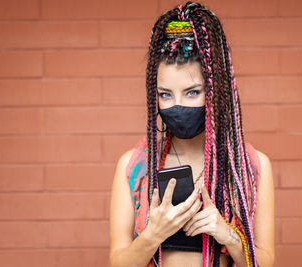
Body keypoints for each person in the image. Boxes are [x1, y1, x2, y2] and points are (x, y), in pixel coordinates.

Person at [109, 2, 275, 266]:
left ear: (214, 90)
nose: (178, 105)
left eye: (192, 92)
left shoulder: (250, 166)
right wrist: (154, 234)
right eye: (165, 94)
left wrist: (228, 235)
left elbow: (264, 262)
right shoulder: (135, 166)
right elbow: (118, 262)